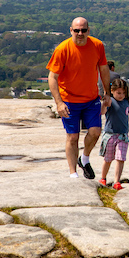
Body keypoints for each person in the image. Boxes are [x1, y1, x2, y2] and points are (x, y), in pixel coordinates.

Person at [47, 17, 111, 179]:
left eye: (83, 30)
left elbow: (103, 70)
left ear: (88, 30)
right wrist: (59, 103)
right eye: (77, 30)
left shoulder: (97, 45)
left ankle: (85, 158)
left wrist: (107, 94)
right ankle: (73, 172)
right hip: (69, 100)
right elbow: (52, 77)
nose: (80, 33)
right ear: (71, 31)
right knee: (73, 136)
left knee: (96, 132)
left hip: (91, 99)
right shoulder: (63, 49)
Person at [100, 78, 129, 190]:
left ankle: (117, 181)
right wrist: (105, 103)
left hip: (123, 135)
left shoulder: (126, 102)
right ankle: (103, 178)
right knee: (108, 159)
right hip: (110, 134)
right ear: (112, 91)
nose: (121, 95)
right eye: (118, 93)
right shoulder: (111, 102)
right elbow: (102, 112)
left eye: (123, 93)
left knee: (120, 158)